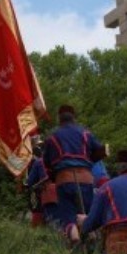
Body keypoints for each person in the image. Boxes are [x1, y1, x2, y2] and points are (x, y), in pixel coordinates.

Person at [42, 104, 107, 243]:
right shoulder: (86, 134)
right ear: (74, 118)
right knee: (87, 213)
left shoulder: (52, 137)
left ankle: (74, 238)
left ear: (59, 118)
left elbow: (46, 162)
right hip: (86, 178)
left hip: (64, 180)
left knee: (68, 215)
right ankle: (91, 236)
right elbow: (100, 151)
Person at [24, 136, 57, 228]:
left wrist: (27, 185)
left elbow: (29, 182)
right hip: (59, 189)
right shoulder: (55, 160)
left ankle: (36, 235)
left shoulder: (38, 162)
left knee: (37, 211)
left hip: (44, 190)